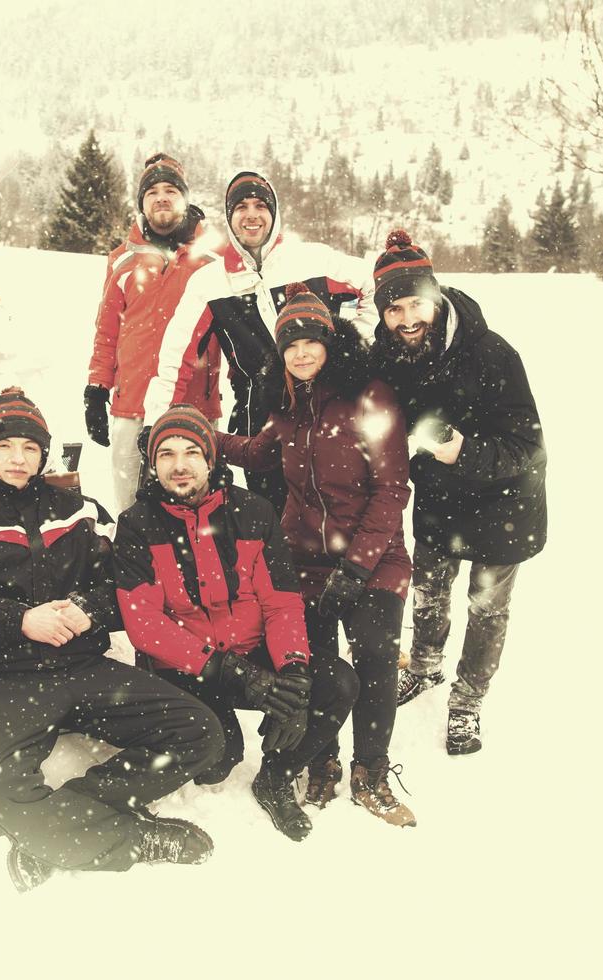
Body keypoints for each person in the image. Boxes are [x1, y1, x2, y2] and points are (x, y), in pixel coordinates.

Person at [0, 387, 223, 890]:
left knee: (200, 732)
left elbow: (131, 588)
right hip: (5, 678)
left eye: (30, 448)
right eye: (5, 446)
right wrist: (16, 621)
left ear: (44, 455)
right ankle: (128, 840)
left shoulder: (81, 510)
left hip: (84, 669)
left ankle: (60, 821)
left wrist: (88, 610)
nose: (18, 458)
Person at [218, 284, 415, 827]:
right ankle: (321, 758)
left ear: (331, 343)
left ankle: (371, 771)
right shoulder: (285, 405)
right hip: (304, 559)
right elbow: (257, 452)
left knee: (375, 654)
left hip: (375, 557)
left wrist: (356, 566)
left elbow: (393, 489)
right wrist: (198, 437)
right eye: (290, 345)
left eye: (311, 341)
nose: (301, 354)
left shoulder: (370, 397)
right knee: (316, 664)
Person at [115, 404, 358, 841]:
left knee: (336, 683)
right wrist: (227, 670)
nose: (180, 465)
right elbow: (145, 625)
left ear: (211, 459)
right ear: (153, 465)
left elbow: (281, 603)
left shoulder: (254, 512)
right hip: (187, 668)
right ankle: (217, 729)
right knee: (216, 763)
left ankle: (276, 777)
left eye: (191, 451)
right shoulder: (137, 525)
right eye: (166, 454)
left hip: (252, 650)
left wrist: (293, 673)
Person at [368, 230, 548, 755]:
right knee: (428, 592)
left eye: (415, 303)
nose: (406, 319)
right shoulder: (391, 353)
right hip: (440, 501)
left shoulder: (492, 354)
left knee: (486, 609)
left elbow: (528, 445)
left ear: (437, 296)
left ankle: (467, 701)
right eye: (393, 309)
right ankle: (424, 667)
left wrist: (461, 451)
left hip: (504, 504)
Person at [141, 168, 377, 512]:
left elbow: (378, 287)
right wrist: (155, 422)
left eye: (260, 205)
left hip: (334, 408)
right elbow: (175, 359)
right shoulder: (210, 282)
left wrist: (352, 347)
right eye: (241, 207)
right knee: (274, 523)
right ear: (229, 216)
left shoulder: (313, 258)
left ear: (274, 212)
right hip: (261, 419)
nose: (251, 215)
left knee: (344, 512)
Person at [85, 153, 223, 513]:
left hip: (193, 404)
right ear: (142, 203)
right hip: (131, 404)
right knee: (131, 505)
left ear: (185, 198)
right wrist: (97, 389)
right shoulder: (121, 259)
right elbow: (107, 331)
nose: (162, 197)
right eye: (152, 192)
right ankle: (134, 566)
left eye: (171, 190)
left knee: (200, 505)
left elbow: (235, 331)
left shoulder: (213, 260)